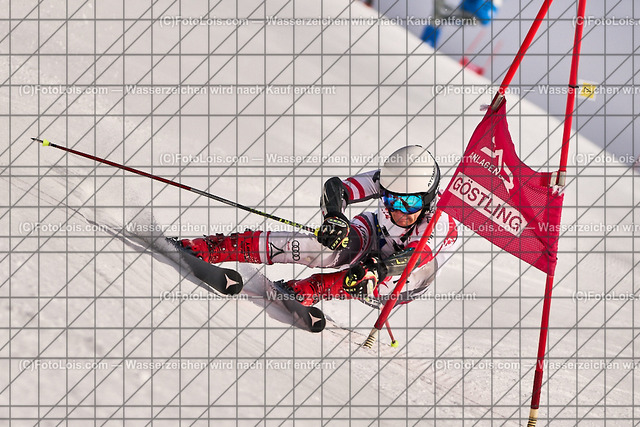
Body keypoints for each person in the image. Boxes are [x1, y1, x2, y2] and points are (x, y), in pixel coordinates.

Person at [178, 145, 460, 307]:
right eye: (391, 199)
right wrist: (334, 217)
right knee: (324, 247)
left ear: (427, 198)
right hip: (376, 234)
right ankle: (216, 247)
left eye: (410, 203)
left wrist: (380, 268)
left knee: (376, 279)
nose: (399, 210)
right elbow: (338, 188)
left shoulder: (439, 218)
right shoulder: (388, 178)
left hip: (407, 274)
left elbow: (416, 257)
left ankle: (310, 290)